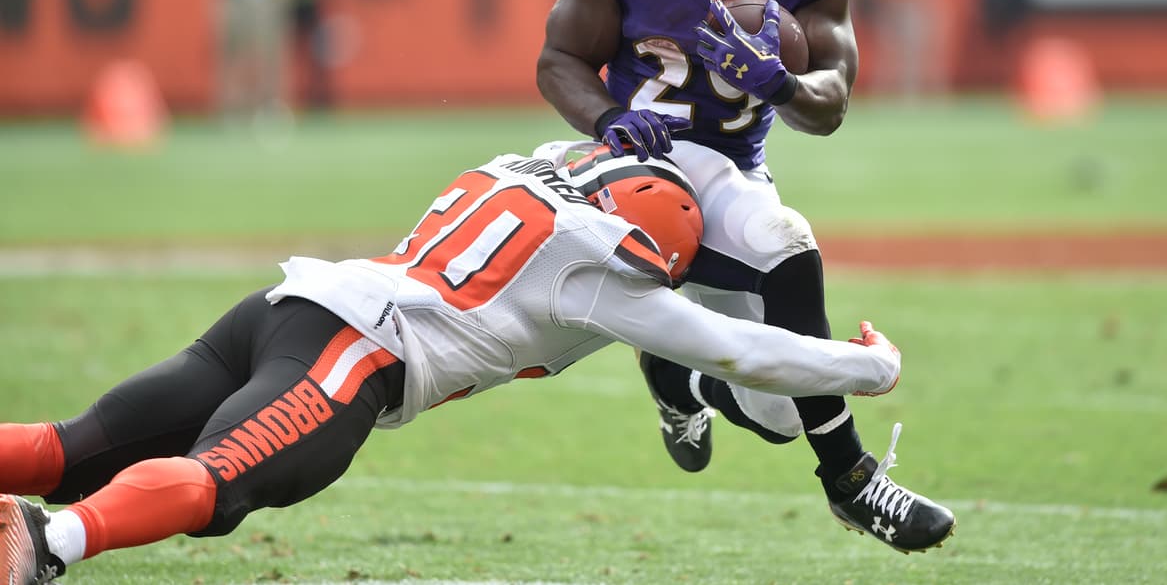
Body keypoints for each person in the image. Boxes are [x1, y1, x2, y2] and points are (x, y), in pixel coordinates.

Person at [0, 142, 905, 584]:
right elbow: (743, 348)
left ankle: (46, 523)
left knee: (68, 446)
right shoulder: (601, 274)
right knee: (215, 486)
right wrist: (868, 369)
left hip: (287, 305)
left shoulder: (521, 169)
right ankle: (46, 543)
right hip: (355, 356)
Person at [536, 0, 955, 552]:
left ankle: (674, 371)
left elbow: (830, 102)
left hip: (734, 167)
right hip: (640, 160)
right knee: (786, 245)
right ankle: (854, 482)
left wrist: (782, 83)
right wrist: (609, 119)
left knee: (772, 412)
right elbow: (558, 59)